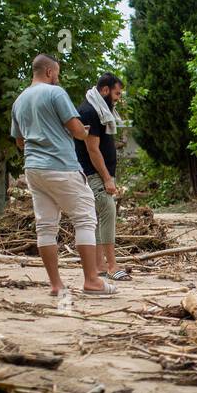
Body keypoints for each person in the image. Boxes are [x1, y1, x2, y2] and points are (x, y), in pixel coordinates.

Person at [9, 54, 115, 297]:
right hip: (61, 166)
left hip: (34, 169)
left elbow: (20, 142)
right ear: (49, 72)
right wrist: (81, 131)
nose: (58, 77)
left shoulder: (19, 100)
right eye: (56, 72)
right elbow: (78, 131)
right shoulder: (55, 93)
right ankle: (92, 281)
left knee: (45, 226)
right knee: (85, 218)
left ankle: (56, 285)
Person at [74, 73, 130, 282]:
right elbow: (92, 149)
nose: (117, 98)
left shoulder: (101, 109)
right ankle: (112, 266)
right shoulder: (90, 111)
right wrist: (107, 178)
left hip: (98, 172)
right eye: (116, 93)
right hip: (92, 172)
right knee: (107, 208)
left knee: (96, 216)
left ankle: (99, 265)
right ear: (105, 90)